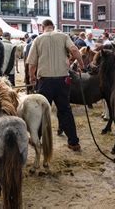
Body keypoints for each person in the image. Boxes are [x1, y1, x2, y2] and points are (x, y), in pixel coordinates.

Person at [27, 19, 84, 151]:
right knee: (65, 110)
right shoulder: (63, 36)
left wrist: (32, 77)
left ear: (43, 27)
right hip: (62, 80)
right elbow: (75, 50)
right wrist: (81, 64)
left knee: (41, 111)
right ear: (53, 26)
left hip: (45, 81)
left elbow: (32, 64)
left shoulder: (38, 40)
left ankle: (37, 139)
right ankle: (73, 142)